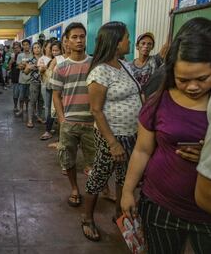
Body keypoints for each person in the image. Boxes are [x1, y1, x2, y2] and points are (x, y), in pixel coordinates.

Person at [121, 18, 211, 253]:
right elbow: (142, 150)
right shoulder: (160, 99)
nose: (192, 87)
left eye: (202, 79)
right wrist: (128, 190)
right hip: (161, 204)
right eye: (183, 80)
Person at [83, 21, 142, 241]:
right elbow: (96, 110)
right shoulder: (100, 71)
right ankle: (88, 218)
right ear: (116, 42)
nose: (129, 40)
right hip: (113, 135)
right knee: (99, 175)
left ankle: (119, 212)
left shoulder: (123, 64)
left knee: (125, 176)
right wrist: (113, 142)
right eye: (127, 36)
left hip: (132, 133)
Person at [50, 23, 95, 208]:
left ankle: (93, 191)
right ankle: (75, 189)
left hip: (92, 123)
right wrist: (62, 119)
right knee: (68, 159)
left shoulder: (94, 63)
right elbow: (56, 95)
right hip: (69, 122)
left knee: (94, 161)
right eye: (74, 37)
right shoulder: (61, 68)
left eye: (82, 36)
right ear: (66, 40)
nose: (79, 40)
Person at [38, 40, 56, 140]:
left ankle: (51, 127)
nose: (52, 51)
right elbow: (40, 71)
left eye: (55, 49)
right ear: (45, 48)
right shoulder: (43, 59)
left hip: (56, 86)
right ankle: (48, 129)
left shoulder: (57, 58)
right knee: (48, 107)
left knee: (54, 107)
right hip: (47, 85)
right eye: (50, 48)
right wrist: (44, 68)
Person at [25, 42, 43, 128]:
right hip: (34, 83)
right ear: (33, 50)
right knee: (32, 101)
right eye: (35, 48)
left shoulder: (44, 59)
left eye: (38, 47)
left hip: (43, 83)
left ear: (41, 48)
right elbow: (25, 72)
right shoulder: (30, 60)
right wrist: (29, 68)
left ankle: (39, 116)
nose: (37, 49)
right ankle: (30, 120)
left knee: (41, 101)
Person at [16, 39, 33, 117]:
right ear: (22, 46)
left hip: (31, 79)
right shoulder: (20, 55)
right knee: (21, 96)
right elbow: (19, 66)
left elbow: (33, 66)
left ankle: (28, 109)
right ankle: (21, 109)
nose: (26, 46)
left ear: (30, 45)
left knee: (29, 97)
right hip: (22, 79)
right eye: (24, 45)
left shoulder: (32, 55)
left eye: (27, 44)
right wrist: (28, 65)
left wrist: (24, 65)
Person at [9, 42, 22, 112]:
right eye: (14, 48)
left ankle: (22, 107)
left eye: (17, 48)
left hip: (23, 77)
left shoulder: (23, 55)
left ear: (20, 48)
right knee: (15, 94)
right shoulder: (12, 56)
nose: (16, 49)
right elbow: (8, 67)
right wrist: (11, 61)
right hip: (15, 77)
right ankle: (15, 106)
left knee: (23, 95)